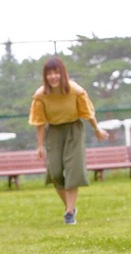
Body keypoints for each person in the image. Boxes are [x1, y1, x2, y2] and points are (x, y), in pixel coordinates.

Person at [28, 57, 109, 225]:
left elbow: (87, 113)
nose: (53, 77)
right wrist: (39, 145)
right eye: (49, 74)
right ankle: (69, 207)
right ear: (45, 77)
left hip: (73, 130)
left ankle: (69, 212)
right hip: (54, 131)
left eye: (56, 72)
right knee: (56, 172)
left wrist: (97, 129)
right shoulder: (40, 95)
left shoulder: (75, 90)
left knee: (73, 170)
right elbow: (40, 122)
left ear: (62, 73)